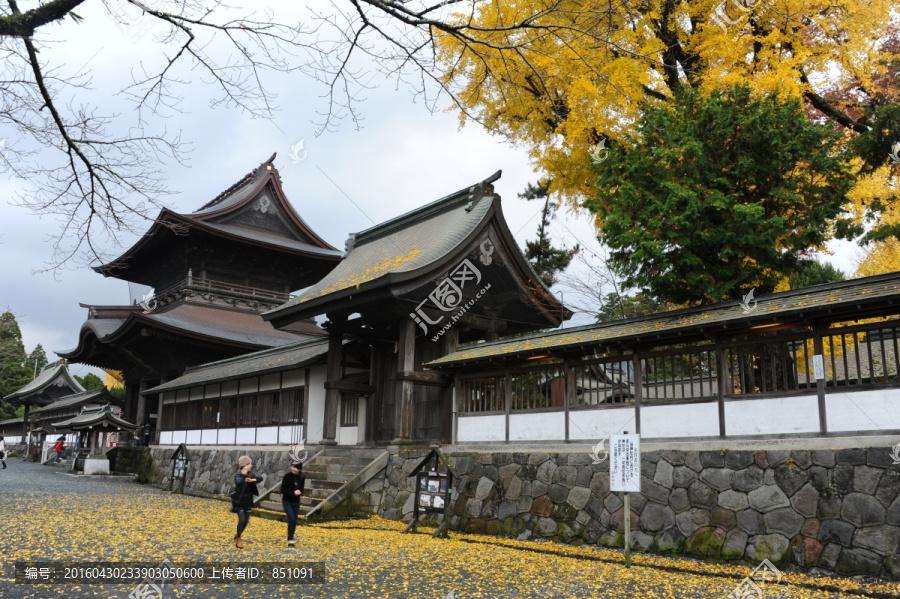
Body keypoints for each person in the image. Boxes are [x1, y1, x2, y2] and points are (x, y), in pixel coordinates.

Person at [231, 455, 259, 549]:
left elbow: (260, 478)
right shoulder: (238, 475)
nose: (251, 465)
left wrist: (252, 479)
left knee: (246, 521)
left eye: (250, 463)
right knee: (242, 520)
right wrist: (245, 479)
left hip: (248, 501)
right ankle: (239, 538)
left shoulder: (251, 475)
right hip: (239, 501)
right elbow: (239, 481)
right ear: (243, 465)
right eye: (248, 464)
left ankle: (238, 534)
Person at [280, 460, 305, 546]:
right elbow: (283, 489)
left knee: (294, 520)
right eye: (292, 466)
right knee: (291, 518)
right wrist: (293, 493)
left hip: (296, 502)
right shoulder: (287, 476)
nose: (292, 468)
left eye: (294, 467)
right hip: (287, 501)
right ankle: (290, 539)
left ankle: (291, 536)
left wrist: (300, 492)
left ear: (299, 469)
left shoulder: (301, 477)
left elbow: (302, 489)